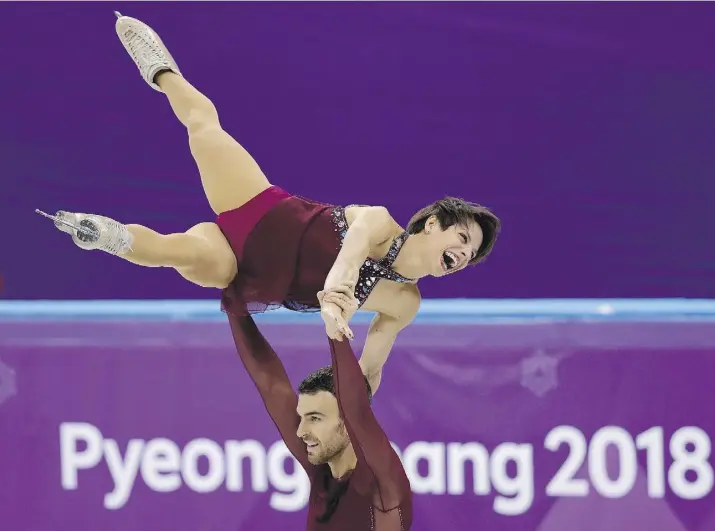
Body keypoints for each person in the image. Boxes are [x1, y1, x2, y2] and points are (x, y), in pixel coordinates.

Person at [38, 13, 500, 392]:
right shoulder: (379, 222)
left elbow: (370, 368)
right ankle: (160, 70)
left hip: (250, 273)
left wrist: (352, 413)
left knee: (177, 253)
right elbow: (348, 259)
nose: (462, 254)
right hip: (261, 211)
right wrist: (337, 296)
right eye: (462, 237)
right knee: (204, 127)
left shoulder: (405, 303)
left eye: (470, 253)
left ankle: (99, 233)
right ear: (433, 223)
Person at [235, 315, 411, 529]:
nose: (300, 431)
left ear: (348, 423)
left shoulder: (381, 481)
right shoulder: (322, 472)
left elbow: (357, 410)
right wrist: (236, 309)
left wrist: (335, 332)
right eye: (303, 417)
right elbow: (272, 384)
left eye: (315, 418)